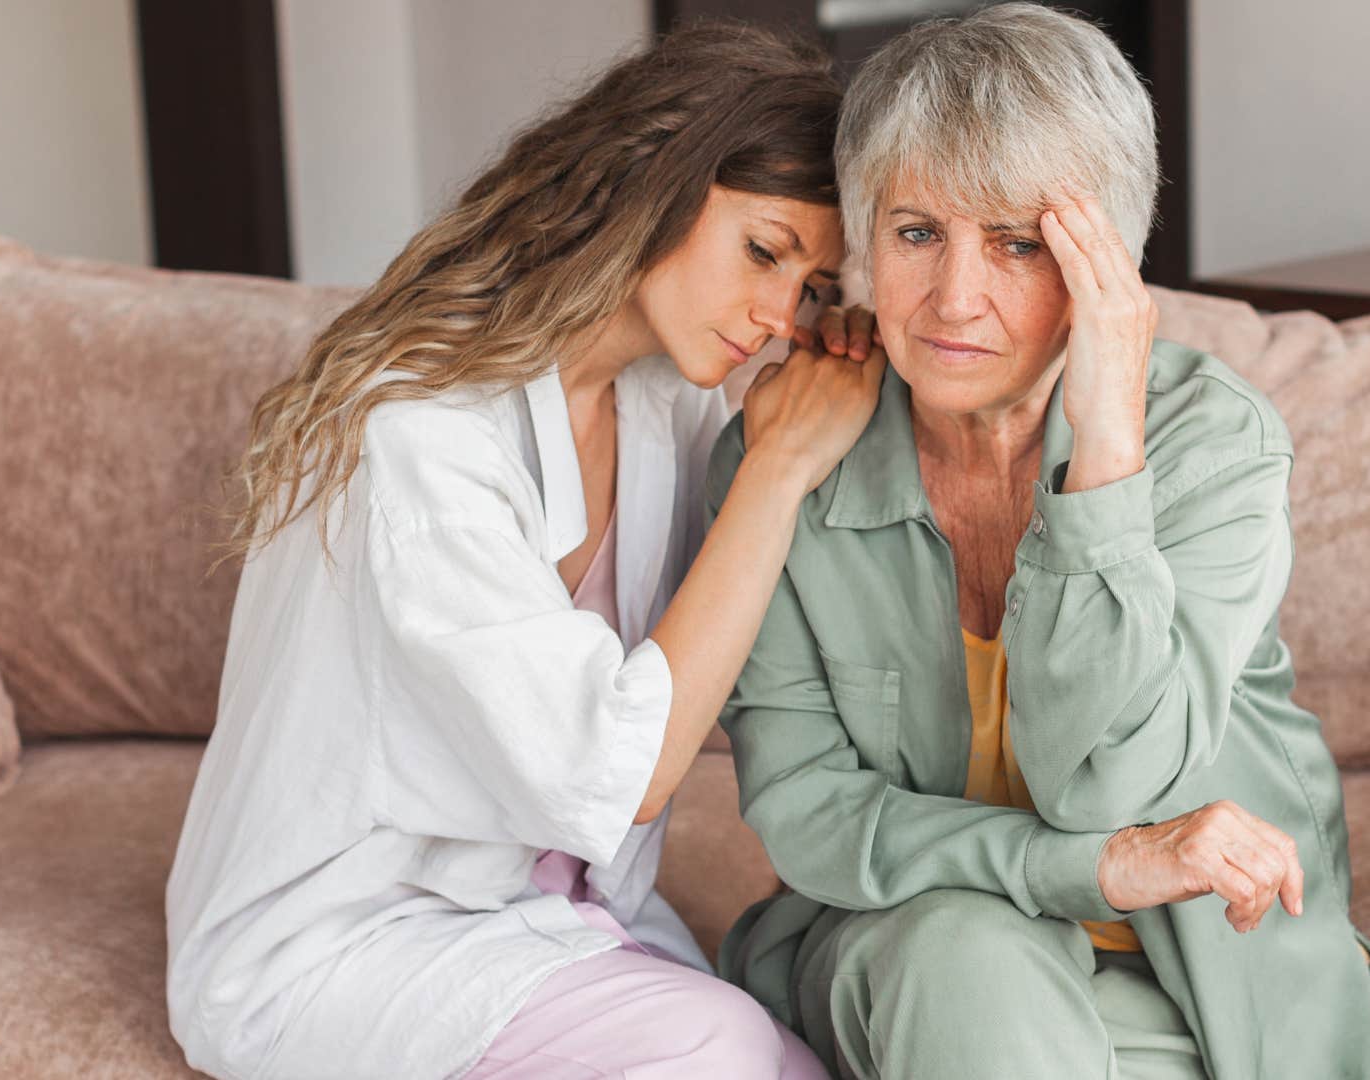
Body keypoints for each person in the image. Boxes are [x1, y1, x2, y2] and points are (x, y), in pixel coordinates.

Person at [165, 24, 881, 1080]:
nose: (781, 317)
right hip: (344, 942)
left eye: (812, 287)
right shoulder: (415, 432)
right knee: (714, 1050)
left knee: (807, 1060)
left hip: (545, 916)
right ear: (653, 184)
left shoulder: (665, 406)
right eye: (764, 251)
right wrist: (777, 471)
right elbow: (620, 768)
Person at [709, 6, 1370, 1078]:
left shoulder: (1211, 451)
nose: (954, 299)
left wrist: (1108, 454)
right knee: (963, 953)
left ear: (1106, 267)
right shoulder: (792, 453)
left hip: (1197, 979)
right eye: (915, 233)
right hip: (914, 937)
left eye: (1019, 243)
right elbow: (808, 809)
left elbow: (1106, 783)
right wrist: (1098, 869)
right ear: (862, 241)